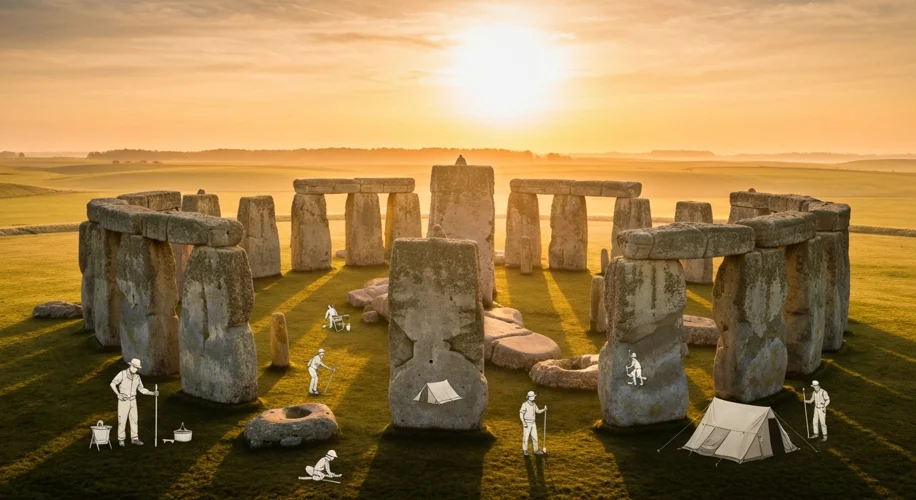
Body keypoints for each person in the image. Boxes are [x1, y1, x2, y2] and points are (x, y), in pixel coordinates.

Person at [109, 358, 158, 447]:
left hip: (133, 400)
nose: (136, 369)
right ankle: (121, 439)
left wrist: (152, 393)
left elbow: (141, 389)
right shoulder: (122, 374)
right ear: (130, 365)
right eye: (134, 367)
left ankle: (134, 438)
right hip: (123, 401)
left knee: (134, 419)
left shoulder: (137, 377)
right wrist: (118, 394)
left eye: (137, 368)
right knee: (122, 420)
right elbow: (112, 384)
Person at [519, 390, 547, 456]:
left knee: (535, 437)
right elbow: (521, 414)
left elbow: (537, 411)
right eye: (533, 396)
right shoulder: (524, 404)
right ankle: (525, 450)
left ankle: (536, 450)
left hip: (533, 423)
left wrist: (544, 409)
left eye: (534, 396)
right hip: (527, 423)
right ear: (529, 397)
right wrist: (524, 423)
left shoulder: (534, 404)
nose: (534, 397)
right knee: (526, 437)